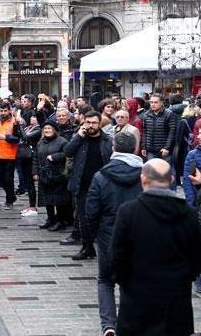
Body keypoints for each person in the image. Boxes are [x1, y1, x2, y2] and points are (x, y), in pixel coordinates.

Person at [111, 159, 201, 336]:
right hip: (176, 300)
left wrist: (123, 280)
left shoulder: (129, 212)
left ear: (143, 179)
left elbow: (117, 256)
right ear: (172, 179)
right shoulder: (188, 214)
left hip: (137, 298)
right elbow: (196, 256)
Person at [82, 132, 143, 336]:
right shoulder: (144, 175)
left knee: (105, 280)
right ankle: (127, 322)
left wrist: (96, 234)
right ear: (135, 149)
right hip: (136, 235)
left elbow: (91, 210)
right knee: (131, 279)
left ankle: (109, 325)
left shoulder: (101, 176)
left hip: (108, 233)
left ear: (114, 149)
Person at [63, 111, 113, 260]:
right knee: (83, 219)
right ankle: (87, 248)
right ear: (84, 123)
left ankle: (106, 248)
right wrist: (79, 136)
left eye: (94, 123)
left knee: (103, 219)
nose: (91, 126)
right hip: (82, 185)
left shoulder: (108, 141)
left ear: (100, 124)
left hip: (103, 186)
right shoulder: (79, 138)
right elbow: (68, 152)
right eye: (88, 122)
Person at [33, 121, 69, 230]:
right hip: (44, 174)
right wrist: (35, 172)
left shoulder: (62, 141)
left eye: (49, 129)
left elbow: (68, 153)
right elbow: (35, 158)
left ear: (54, 130)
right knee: (47, 199)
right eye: (45, 129)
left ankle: (60, 221)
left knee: (58, 200)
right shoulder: (40, 143)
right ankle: (50, 219)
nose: (47, 131)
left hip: (58, 174)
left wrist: (56, 156)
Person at [0, 102, 21, 209]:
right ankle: (12, 196)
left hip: (10, 155)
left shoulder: (14, 122)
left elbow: (17, 139)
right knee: (0, 180)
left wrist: (4, 137)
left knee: (8, 179)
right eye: (1, 111)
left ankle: (9, 200)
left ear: (9, 111)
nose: (3, 113)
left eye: (5, 111)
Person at [142, 93, 178, 164]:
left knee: (165, 172)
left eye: (155, 102)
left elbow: (172, 132)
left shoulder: (169, 114)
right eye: (151, 102)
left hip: (164, 150)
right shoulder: (146, 114)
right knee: (152, 171)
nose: (152, 104)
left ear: (161, 103)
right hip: (151, 150)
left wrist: (167, 148)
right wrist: (144, 147)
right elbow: (145, 131)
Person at [19, 115, 41, 217]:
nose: (32, 118)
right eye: (31, 117)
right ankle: (31, 205)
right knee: (28, 182)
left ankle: (33, 207)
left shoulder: (38, 129)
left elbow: (25, 137)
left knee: (31, 183)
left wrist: (20, 125)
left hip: (32, 157)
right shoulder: (28, 127)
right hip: (24, 157)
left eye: (34, 117)